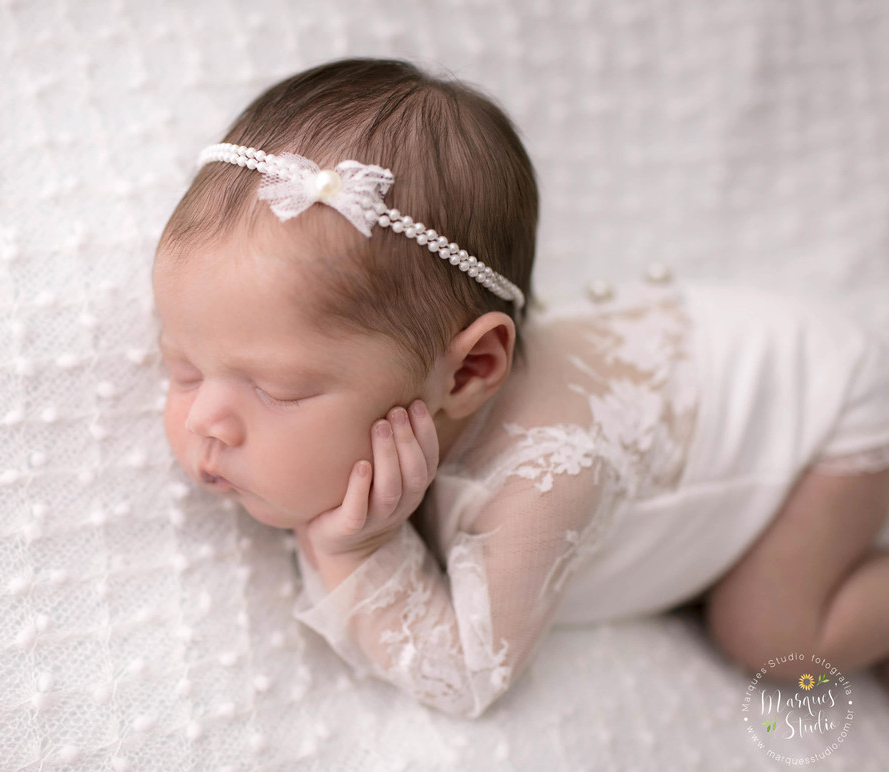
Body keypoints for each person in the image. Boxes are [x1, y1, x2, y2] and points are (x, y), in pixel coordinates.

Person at [150, 58, 889, 717]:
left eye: (277, 389)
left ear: (468, 372)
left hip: (829, 405)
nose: (207, 420)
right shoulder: (397, 375)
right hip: (717, 348)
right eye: (182, 367)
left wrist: (361, 550)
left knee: (768, 631)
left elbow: (468, 676)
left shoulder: (544, 472)